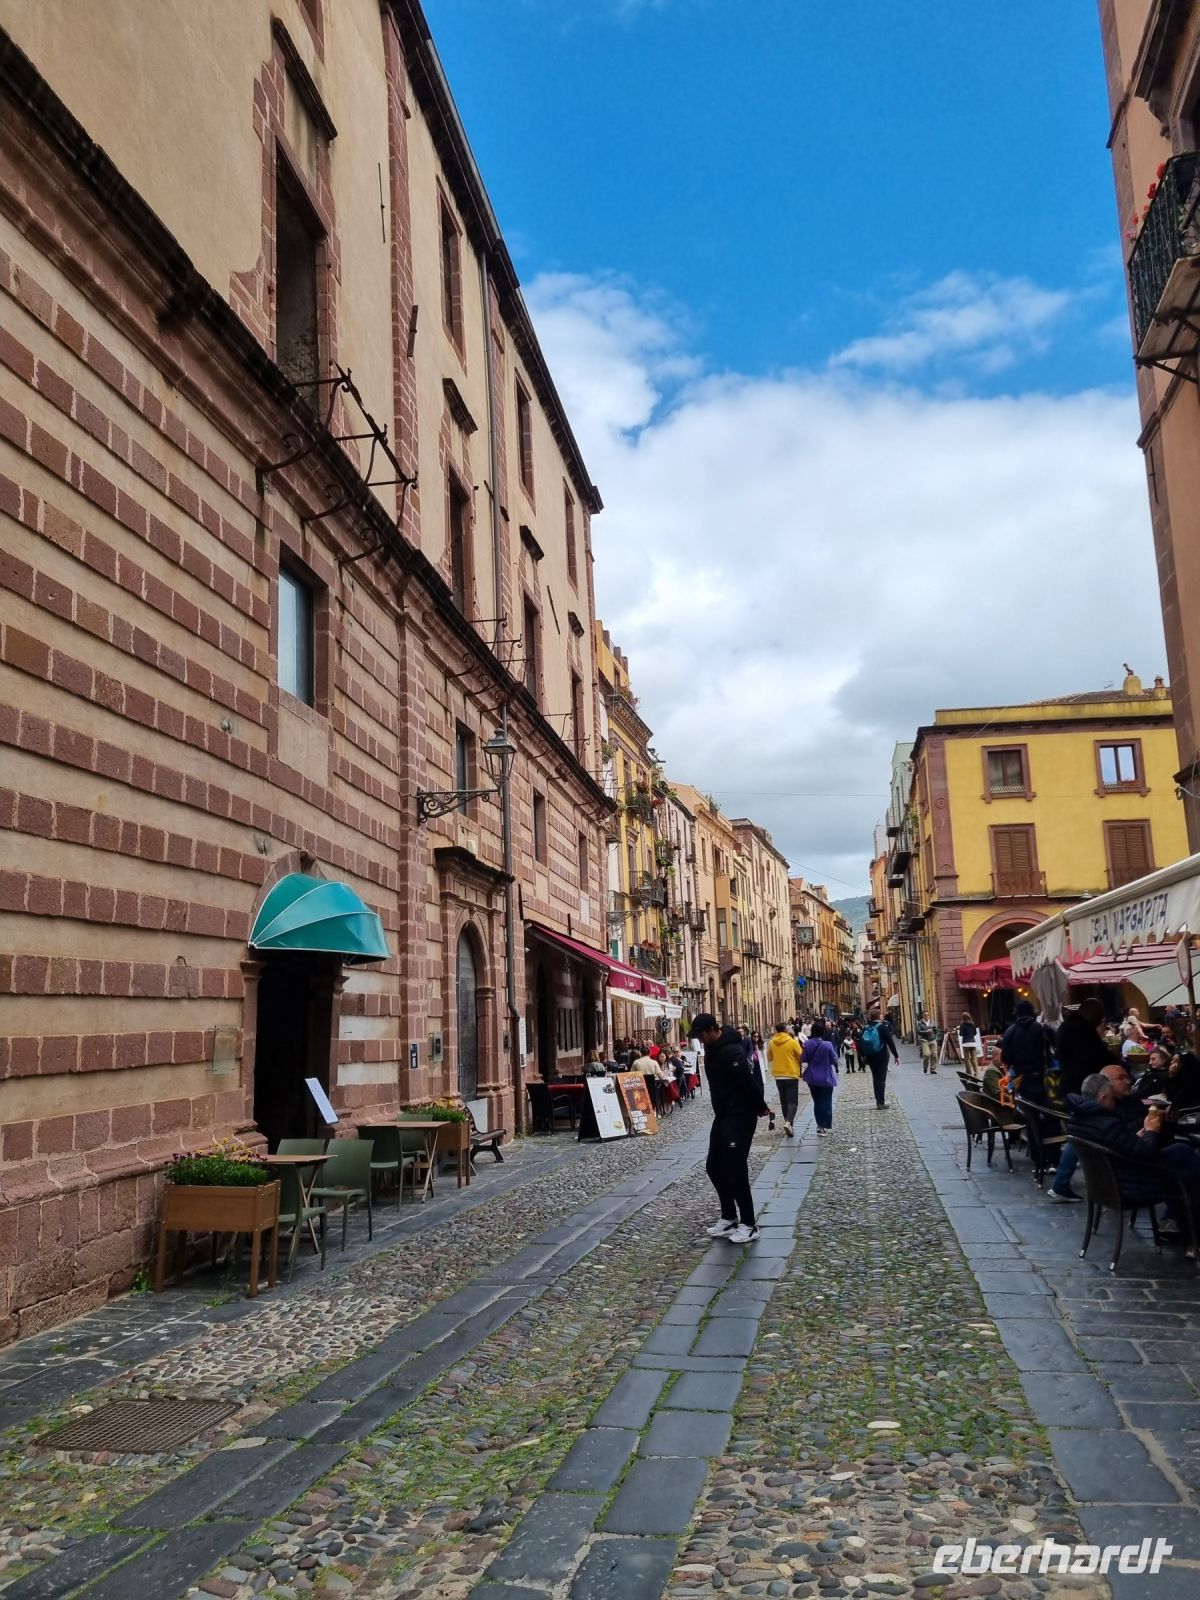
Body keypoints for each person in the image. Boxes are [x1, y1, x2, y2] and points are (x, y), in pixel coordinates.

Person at [689, 1013, 770, 1244]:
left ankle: (748, 1223)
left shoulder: (732, 1051)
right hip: (723, 1114)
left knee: (735, 1167)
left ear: (713, 1030)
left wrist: (761, 1106)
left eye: (701, 1035)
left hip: (741, 1115)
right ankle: (728, 1217)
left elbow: (748, 1082)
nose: (700, 1040)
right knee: (714, 1166)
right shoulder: (713, 1049)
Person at [1000, 1000, 1050, 1103]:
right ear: (1032, 1012)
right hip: (1042, 1078)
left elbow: (1005, 1058)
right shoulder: (1042, 1028)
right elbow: (1054, 1048)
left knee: (1028, 1111)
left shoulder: (1010, 1032)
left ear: (1017, 1013)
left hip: (1021, 1079)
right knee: (1046, 1109)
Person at [802, 1019, 840, 1135]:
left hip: (813, 1078)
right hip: (826, 1077)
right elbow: (834, 1060)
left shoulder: (807, 1044)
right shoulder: (827, 1045)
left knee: (817, 1101)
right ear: (822, 1032)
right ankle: (825, 1123)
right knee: (827, 1101)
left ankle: (819, 1126)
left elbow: (803, 1059)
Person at [858, 1002, 899, 1108]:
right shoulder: (882, 1027)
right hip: (881, 1056)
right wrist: (896, 1055)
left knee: (875, 1078)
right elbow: (890, 1042)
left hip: (870, 1056)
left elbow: (860, 1042)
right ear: (879, 1016)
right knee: (881, 1079)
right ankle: (880, 1103)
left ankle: (878, 1101)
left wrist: (862, 1055)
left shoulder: (866, 1027)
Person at [767, 1021, 803, 1136]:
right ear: (786, 1030)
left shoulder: (772, 1042)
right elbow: (801, 1057)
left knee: (784, 1101)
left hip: (778, 1075)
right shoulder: (792, 1042)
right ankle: (788, 1123)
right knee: (793, 1102)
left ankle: (789, 1125)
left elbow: (769, 1058)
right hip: (791, 1074)